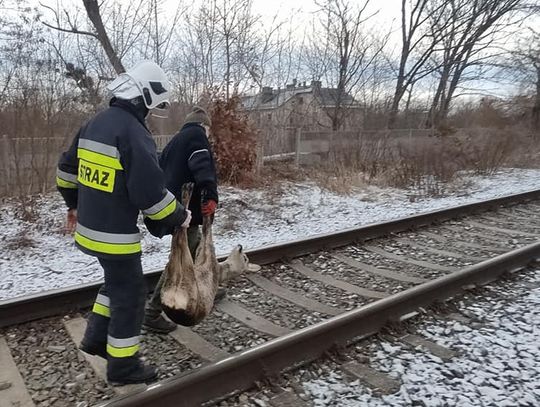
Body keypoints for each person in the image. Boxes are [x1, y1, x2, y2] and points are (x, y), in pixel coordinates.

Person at [56, 60, 191, 385]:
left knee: (115, 283)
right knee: (130, 293)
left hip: (88, 229)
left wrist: (74, 205)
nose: (152, 112)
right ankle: (123, 365)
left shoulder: (94, 123)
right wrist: (179, 216)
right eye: (153, 105)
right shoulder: (133, 133)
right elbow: (148, 194)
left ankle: (96, 339)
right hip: (113, 235)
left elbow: (65, 171)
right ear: (143, 97)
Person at [143, 106, 219, 334]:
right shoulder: (197, 135)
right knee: (181, 259)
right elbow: (202, 165)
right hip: (185, 212)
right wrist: (211, 193)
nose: (208, 135)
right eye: (209, 131)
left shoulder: (177, 140)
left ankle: (206, 287)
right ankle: (153, 312)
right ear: (204, 126)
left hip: (171, 207)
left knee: (188, 253)